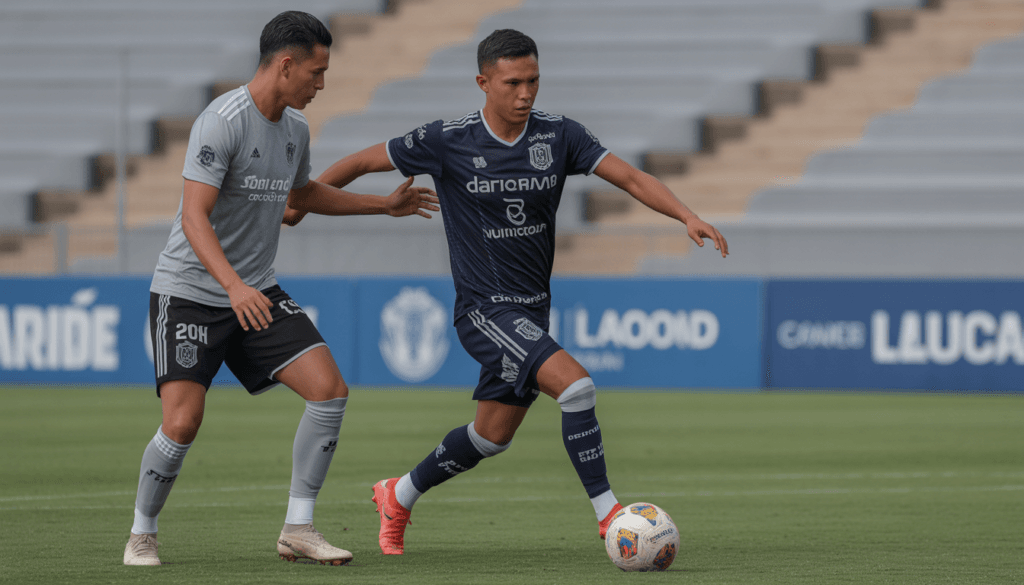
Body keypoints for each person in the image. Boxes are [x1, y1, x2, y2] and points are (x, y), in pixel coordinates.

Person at [301, 28, 728, 555]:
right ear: (483, 82)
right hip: (483, 310)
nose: (525, 94)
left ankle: (399, 493)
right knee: (577, 389)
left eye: (533, 81)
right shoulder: (447, 139)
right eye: (512, 83)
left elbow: (631, 178)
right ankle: (610, 515)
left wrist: (686, 215)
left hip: (531, 313)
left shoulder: (560, 135)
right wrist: (303, 200)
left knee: (490, 437)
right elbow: (365, 161)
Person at [123, 11, 439, 567]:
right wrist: (232, 285)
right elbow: (193, 218)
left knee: (329, 390)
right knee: (182, 422)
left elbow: (299, 201)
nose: (321, 84)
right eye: (316, 72)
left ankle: (299, 526)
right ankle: (142, 532)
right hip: (192, 289)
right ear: (286, 64)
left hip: (256, 290)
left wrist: (381, 205)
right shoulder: (221, 121)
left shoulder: (294, 130)